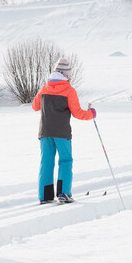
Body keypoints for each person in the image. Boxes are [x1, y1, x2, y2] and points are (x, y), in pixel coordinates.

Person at [31, 57, 96, 203]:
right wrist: (91, 114)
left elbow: (35, 106)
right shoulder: (69, 91)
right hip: (62, 133)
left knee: (46, 162)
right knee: (65, 161)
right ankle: (63, 193)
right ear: (66, 74)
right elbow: (77, 113)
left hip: (45, 132)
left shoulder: (44, 88)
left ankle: (45, 196)